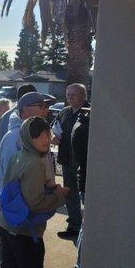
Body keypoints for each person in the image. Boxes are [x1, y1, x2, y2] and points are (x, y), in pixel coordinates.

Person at [0, 117, 69, 268]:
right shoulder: (35, 162)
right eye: (38, 136)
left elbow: (14, 186)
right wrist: (59, 195)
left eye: (47, 134)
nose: (45, 139)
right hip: (24, 230)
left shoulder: (20, 155)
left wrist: (46, 187)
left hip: (6, 222)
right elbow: (35, 203)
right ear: (27, 137)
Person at [0, 92, 56, 195]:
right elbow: (10, 177)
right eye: (41, 106)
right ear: (25, 108)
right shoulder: (14, 137)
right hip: (22, 205)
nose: (46, 110)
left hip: (37, 200)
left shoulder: (34, 133)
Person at [52, 83, 90, 240]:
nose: (69, 97)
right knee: (70, 196)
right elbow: (54, 128)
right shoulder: (64, 112)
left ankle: (90, 229)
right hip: (67, 161)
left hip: (84, 164)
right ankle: (74, 226)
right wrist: (54, 136)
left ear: (83, 96)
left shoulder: (91, 112)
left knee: (86, 197)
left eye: (73, 94)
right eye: (68, 94)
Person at [71, 106, 90, 268]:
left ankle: (80, 267)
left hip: (84, 180)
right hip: (87, 183)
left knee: (86, 225)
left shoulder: (82, 122)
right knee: (87, 226)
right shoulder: (85, 128)